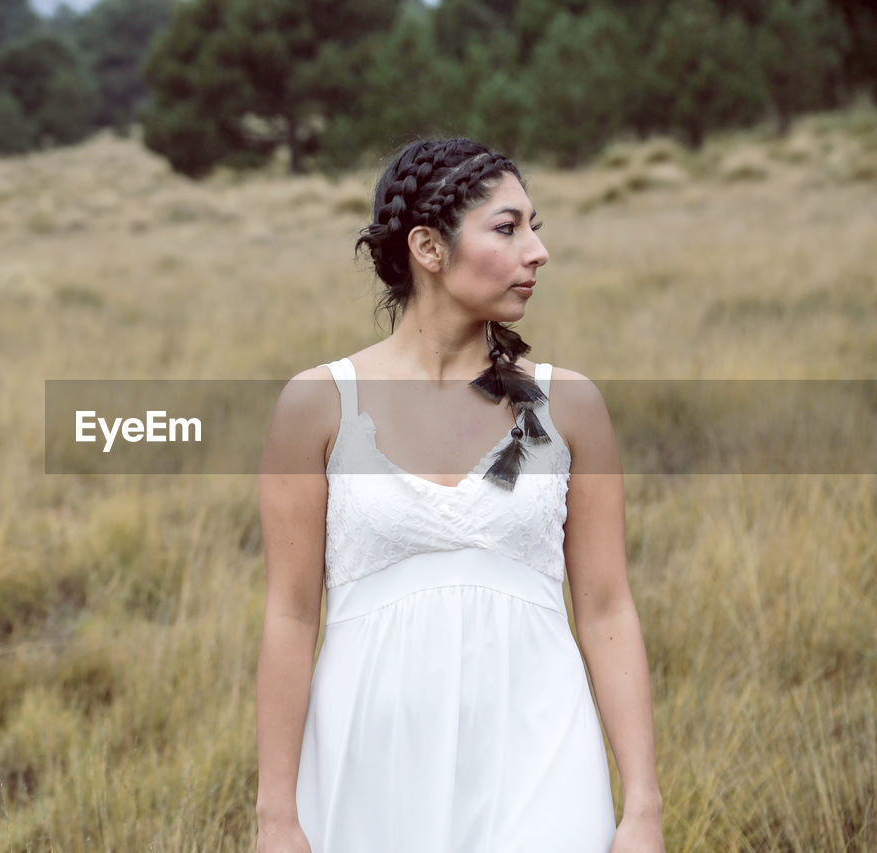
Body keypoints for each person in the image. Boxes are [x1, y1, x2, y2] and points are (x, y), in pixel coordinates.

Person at [254, 138, 664, 852]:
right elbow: (290, 614)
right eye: (507, 229)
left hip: (543, 756)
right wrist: (277, 814)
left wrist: (643, 807)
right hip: (370, 766)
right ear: (427, 247)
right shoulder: (320, 406)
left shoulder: (567, 405)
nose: (537, 252)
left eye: (535, 227)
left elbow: (605, 606)